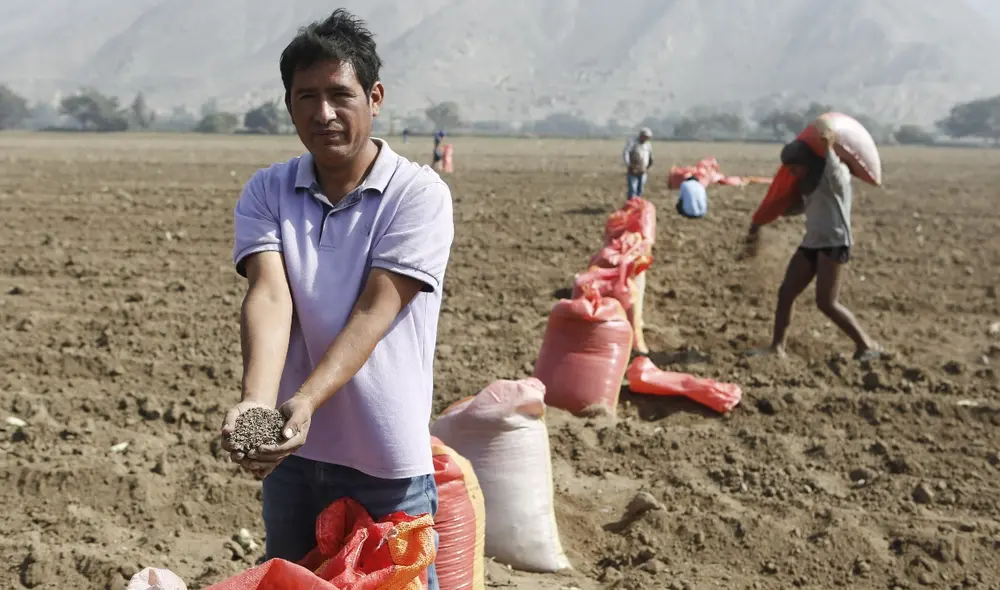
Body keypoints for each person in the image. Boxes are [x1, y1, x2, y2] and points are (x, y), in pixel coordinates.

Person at [220, 9, 454, 588]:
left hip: (385, 460)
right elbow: (270, 295)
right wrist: (258, 405)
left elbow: (376, 310)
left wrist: (304, 401)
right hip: (293, 460)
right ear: (289, 105)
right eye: (306, 97)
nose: (323, 113)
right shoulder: (268, 189)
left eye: (339, 95)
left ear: (374, 98)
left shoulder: (417, 194)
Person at [747, 124, 880, 361]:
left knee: (826, 302)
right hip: (812, 242)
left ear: (807, 162)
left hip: (834, 242)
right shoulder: (807, 182)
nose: (793, 172)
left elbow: (837, 174)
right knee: (786, 292)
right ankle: (777, 348)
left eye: (795, 167)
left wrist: (829, 148)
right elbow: (802, 206)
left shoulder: (834, 175)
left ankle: (867, 345)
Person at [623, 127, 653, 199]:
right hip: (633, 169)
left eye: (648, 137)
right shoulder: (632, 142)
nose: (646, 138)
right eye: (645, 136)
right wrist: (628, 164)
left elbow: (650, 155)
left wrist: (649, 165)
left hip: (643, 169)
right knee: (633, 189)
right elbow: (626, 153)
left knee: (640, 189)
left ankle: (638, 203)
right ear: (641, 135)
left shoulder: (648, 145)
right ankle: (632, 203)